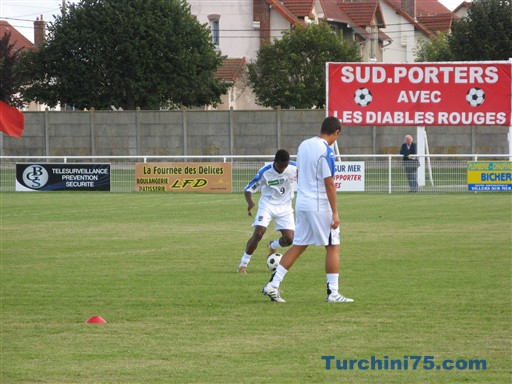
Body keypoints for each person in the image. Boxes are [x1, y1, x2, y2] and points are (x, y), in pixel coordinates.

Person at [262, 116, 354, 303]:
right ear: (336, 133)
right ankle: (333, 293)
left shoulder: (304, 145)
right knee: (333, 246)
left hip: (302, 203)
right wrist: (335, 212)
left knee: (299, 245)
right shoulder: (326, 150)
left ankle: (273, 284)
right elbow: (329, 183)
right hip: (319, 205)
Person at [237, 149, 297, 274]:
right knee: (258, 233)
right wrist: (250, 203)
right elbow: (248, 189)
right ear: (275, 161)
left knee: (290, 239)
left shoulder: (294, 167)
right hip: (268, 206)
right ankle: (243, 265)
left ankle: (273, 246)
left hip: (285, 207)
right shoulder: (265, 172)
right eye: (280, 166)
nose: (283, 169)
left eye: (285, 166)